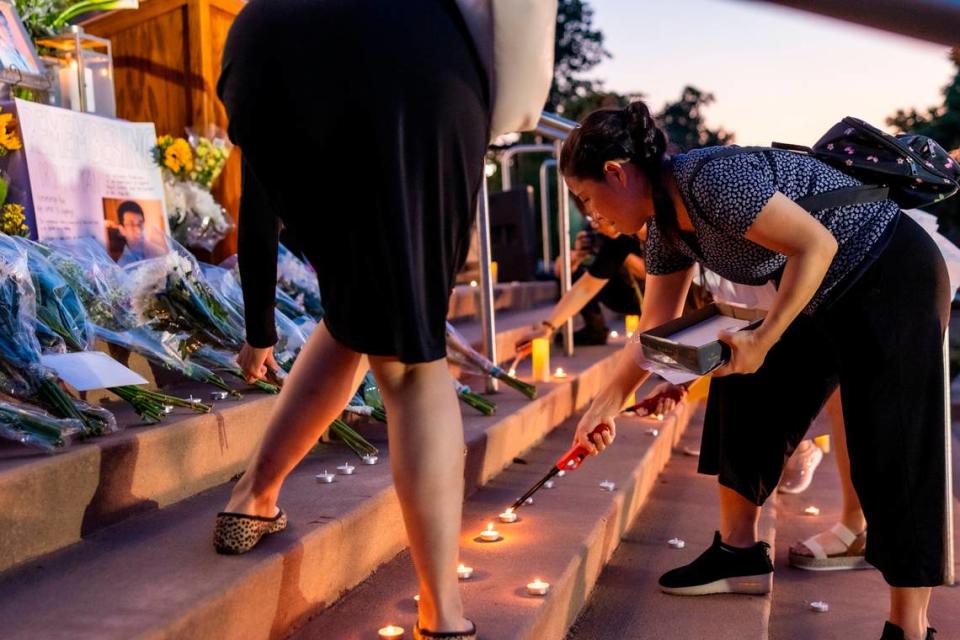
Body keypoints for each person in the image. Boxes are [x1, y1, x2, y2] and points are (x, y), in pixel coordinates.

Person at [214, 2, 552, 639]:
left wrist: (259, 325)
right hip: (412, 55)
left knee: (358, 308)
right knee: (411, 363)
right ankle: (442, 616)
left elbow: (256, 207)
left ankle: (252, 497)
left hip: (266, 41)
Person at [562, 101, 949, 640]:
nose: (590, 216)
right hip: (821, 291)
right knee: (741, 377)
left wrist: (765, 339)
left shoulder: (711, 178)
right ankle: (737, 553)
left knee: (894, 439)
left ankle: (910, 627)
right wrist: (608, 405)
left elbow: (817, 242)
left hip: (891, 271)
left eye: (585, 198)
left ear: (616, 174)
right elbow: (655, 333)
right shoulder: (662, 231)